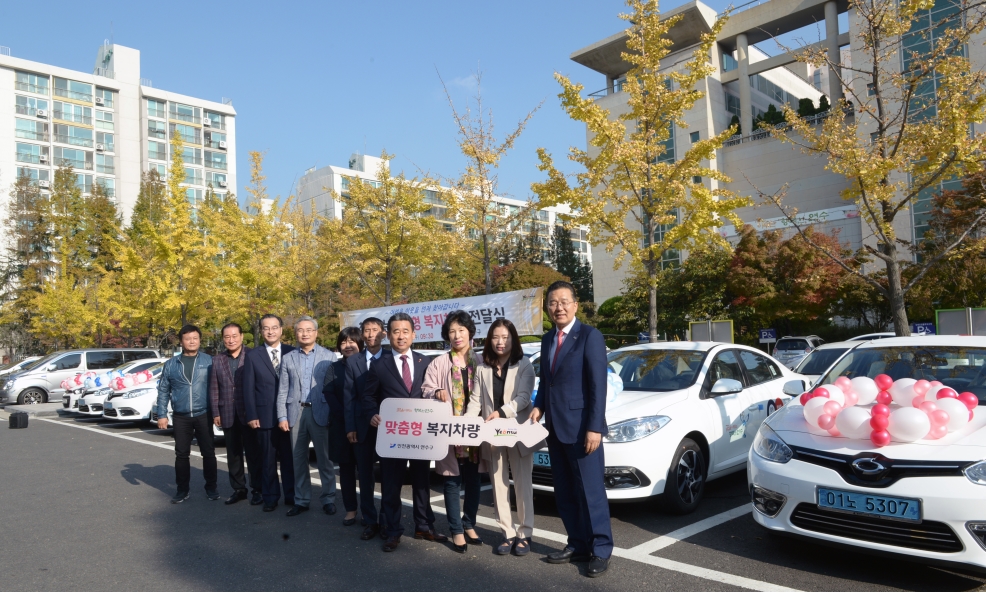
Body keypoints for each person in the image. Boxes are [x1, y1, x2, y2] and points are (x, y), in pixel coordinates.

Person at [530, 280, 613, 577]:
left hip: (582, 429)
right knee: (564, 492)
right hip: (555, 427)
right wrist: (539, 405)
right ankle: (577, 543)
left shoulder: (589, 336)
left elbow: (597, 386)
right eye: (553, 302)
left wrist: (594, 427)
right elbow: (546, 382)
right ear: (548, 307)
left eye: (564, 301)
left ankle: (601, 549)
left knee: (591, 492)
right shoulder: (547, 339)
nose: (559, 307)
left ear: (576, 305)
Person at [366, 312, 447, 552]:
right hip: (393, 435)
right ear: (388, 335)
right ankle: (392, 530)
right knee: (391, 483)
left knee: (422, 482)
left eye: (405, 331)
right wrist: (372, 413)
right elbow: (368, 396)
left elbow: (431, 391)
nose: (400, 336)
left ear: (414, 334)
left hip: (421, 435)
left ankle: (424, 525)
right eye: (395, 332)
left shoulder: (425, 362)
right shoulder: (379, 365)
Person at [468, 318, 538, 556]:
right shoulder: (483, 368)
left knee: (522, 483)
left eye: (505, 337)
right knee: (498, 484)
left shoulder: (524, 364)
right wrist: (468, 423)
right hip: (492, 433)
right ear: (489, 340)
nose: (500, 342)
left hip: (517, 432)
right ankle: (507, 533)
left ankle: (525, 534)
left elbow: (524, 398)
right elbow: (475, 401)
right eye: (495, 337)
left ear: (513, 339)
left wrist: (500, 413)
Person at [423, 310, 484, 554]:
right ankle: (456, 530)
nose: (456, 335)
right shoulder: (439, 362)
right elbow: (426, 389)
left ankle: (469, 524)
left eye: (461, 330)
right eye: (451, 331)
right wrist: (436, 391)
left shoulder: (480, 361)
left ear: (470, 332)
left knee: (474, 480)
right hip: (449, 432)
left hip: (476, 431)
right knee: (451, 480)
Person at [276, 316, 338, 517]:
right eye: (301, 330)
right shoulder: (288, 358)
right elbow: (283, 390)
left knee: (325, 460)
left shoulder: (330, 357)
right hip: (296, 412)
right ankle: (301, 499)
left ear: (316, 333)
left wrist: (333, 413)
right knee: (298, 459)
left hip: (321, 412)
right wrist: (281, 416)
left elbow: (334, 389)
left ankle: (328, 499)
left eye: (309, 330)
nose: (305, 333)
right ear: (296, 333)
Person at [156, 324, 216, 504]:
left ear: (199, 340)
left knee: (209, 453)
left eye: (195, 338)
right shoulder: (171, 364)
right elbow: (163, 391)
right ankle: (182, 490)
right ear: (181, 342)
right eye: (188, 338)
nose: (192, 341)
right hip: (181, 415)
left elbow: (217, 387)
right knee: (182, 454)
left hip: (204, 413)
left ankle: (211, 488)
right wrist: (162, 414)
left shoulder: (209, 361)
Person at [242, 314, 296, 512]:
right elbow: (248, 389)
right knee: (267, 459)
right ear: (261, 331)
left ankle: (291, 495)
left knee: (289, 459)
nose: (271, 331)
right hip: (264, 416)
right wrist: (252, 415)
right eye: (266, 328)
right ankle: (270, 496)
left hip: (289, 415)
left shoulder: (292, 351)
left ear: (281, 330)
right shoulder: (253, 356)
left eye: (274, 327)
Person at [209, 323, 262, 505]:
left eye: (234, 336)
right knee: (233, 455)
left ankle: (258, 489)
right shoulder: (217, 360)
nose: (230, 340)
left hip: (249, 413)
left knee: (254, 454)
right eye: (226, 337)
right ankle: (239, 489)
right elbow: (214, 387)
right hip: (227, 412)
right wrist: (216, 411)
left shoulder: (254, 355)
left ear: (241, 336)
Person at [344, 317, 385, 540]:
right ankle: (370, 520)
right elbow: (349, 397)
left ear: (383, 333)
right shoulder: (354, 361)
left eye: (375, 330)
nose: (370, 335)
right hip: (361, 425)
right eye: (367, 331)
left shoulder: (390, 357)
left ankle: (388, 519)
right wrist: (350, 426)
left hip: (389, 424)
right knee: (366, 475)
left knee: (389, 475)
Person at [323, 326, 363, 526]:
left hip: (364, 426)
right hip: (341, 427)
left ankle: (368, 510)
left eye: (352, 341)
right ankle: (350, 509)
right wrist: (347, 420)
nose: (348, 345)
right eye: (344, 342)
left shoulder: (367, 364)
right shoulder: (334, 368)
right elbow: (329, 393)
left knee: (365, 472)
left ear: (360, 343)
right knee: (346, 471)